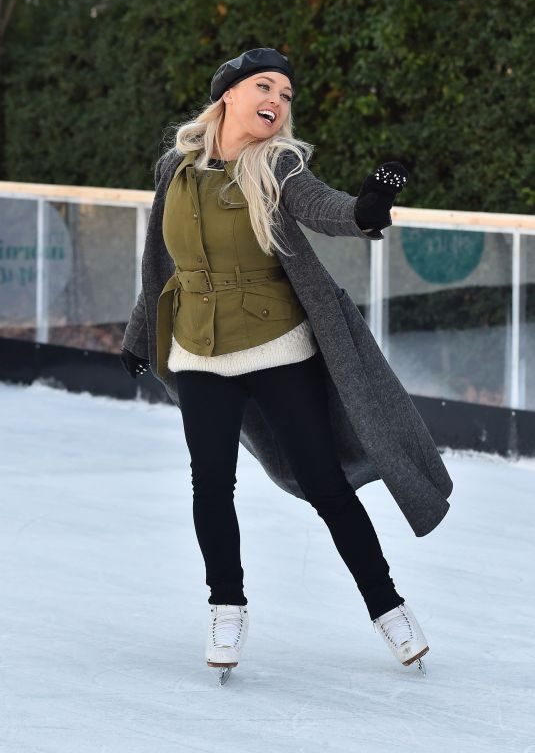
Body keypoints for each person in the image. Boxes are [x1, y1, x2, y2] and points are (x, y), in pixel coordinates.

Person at [121, 47, 435, 676]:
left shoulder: (279, 165)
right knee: (211, 482)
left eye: (287, 94)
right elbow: (162, 262)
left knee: (325, 483)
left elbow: (324, 208)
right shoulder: (174, 169)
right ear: (229, 95)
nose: (279, 100)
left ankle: (389, 607)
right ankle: (226, 606)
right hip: (197, 350)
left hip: (277, 348)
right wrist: (139, 335)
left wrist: (366, 210)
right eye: (266, 86)